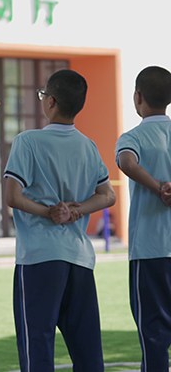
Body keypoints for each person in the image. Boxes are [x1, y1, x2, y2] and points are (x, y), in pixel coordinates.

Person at [3, 69, 116, 372]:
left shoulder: (28, 141)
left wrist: (50, 212)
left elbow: (12, 196)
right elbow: (108, 196)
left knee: (37, 347)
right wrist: (76, 210)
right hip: (79, 258)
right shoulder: (88, 146)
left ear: (50, 101)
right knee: (88, 351)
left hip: (39, 256)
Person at [115, 66, 171, 371]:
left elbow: (127, 162)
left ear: (138, 97)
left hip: (150, 250)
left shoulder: (133, 136)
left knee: (153, 335)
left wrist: (158, 187)